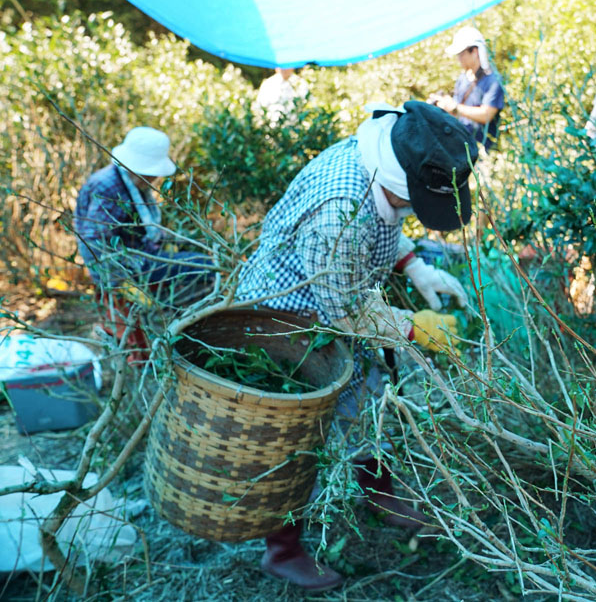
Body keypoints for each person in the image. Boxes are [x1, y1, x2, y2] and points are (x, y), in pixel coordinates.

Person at [236, 100, 477, 591]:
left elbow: (386, 218)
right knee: (295, 437)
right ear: (399, 177)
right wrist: (416, 330)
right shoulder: (338, 210)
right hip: (288, 325)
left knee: (366, 400)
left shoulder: (384, 158)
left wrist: (413, 264)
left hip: (335, 305)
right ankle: (282, 549)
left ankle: (379, 494)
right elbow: (345, 311)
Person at [74, 127, 213, 305]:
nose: (154, 178)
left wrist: (173, 239)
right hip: (129, 264)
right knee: (202, 265)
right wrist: (118, 282)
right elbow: (94, 241)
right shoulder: (109, 188)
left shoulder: (130, 182)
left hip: (140, 252)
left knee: (197, 257)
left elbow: (141, 226)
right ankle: (169, 311)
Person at [429, 26, 505, 153]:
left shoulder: (493, 80)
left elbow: (486, 115)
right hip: (464, 148)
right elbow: (457, 114)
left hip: (484, 150)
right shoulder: (463, 79)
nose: (459, 59)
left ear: (474, 52)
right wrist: (443, 106)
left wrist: (455, 107)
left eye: (461, 54)